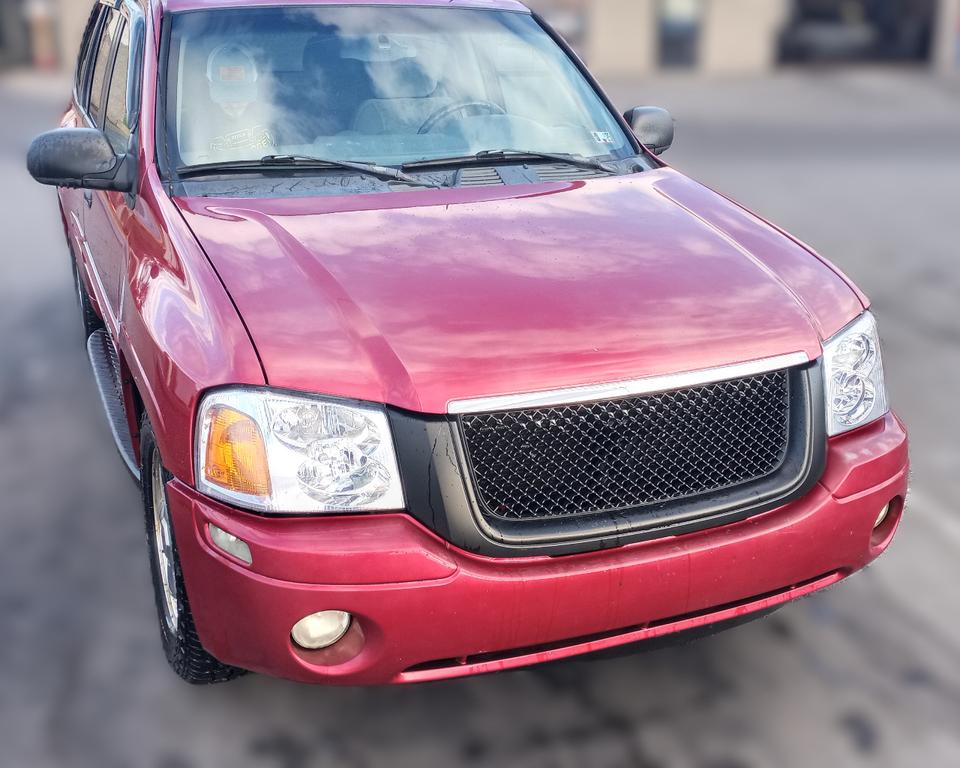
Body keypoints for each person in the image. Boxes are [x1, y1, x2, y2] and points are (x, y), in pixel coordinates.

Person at [205, 43, 277, 158]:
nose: (234, 104)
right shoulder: (193, 128)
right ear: (209, 87)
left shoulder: (275, 124)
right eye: (225, 95)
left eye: (242, 94)